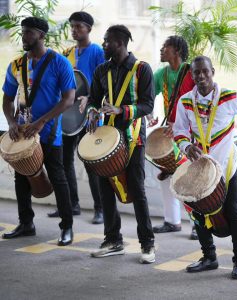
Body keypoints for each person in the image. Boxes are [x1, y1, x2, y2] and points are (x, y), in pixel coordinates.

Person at [173, 55, 237, 279]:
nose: (201, 76)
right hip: (201, 168)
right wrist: (186, 146)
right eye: (196, 73)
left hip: (227, 166)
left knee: (233, 212)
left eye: (205, 72)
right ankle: (209, 257)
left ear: (213, 72)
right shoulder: (185, 101)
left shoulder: (229, 97)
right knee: (198, 213)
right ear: (191, 75)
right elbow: (179, 131)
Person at [1, 17, 76, 246]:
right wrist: (12, 123)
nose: (24, 36)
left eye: (29, 33)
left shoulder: (59, 62)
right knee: (21, 178)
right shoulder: (16, 65)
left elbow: (69, 99)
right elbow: (7, 99)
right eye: (23, 32)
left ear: (42, 35)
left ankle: (67, 227)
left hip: (50, 131)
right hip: (23, 132)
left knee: (57, 176)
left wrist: (42, 122)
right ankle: (26, 224)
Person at [86, 25, 156, 264]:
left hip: (133, 135)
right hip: (108, 137)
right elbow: (94, 100)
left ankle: (147, 244)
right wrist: (93, 113)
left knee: (137, 188)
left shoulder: (142, 69)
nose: (104, 44)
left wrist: (121, 110)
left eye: (107, 41)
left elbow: (148, 106)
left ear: (120, 42)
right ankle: (113, 240)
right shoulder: (101, 70)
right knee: (105, 187)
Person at [47, 11, 105, 224]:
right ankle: (72, 205)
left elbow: (103, 82)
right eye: (72, 26)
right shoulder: (67, 52)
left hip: (88, 114)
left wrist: (90, 98)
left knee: (91, 162)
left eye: (79, 26)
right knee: (64, 161)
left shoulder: (97, 51)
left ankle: (100, 209)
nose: (74, 30)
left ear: (89, 28)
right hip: (68, 116)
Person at [147, 36, 197, 239]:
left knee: (190, 178)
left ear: (176, 50)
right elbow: (148, 96)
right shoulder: (161, 73)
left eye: (165, 47)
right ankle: (172, 221)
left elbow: (199, 101)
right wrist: (149, 113)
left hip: (191, 132)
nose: (161, 49)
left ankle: (198, 224)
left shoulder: (191, 72)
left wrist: (180, 125)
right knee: (167, 174)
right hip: (171, 131)